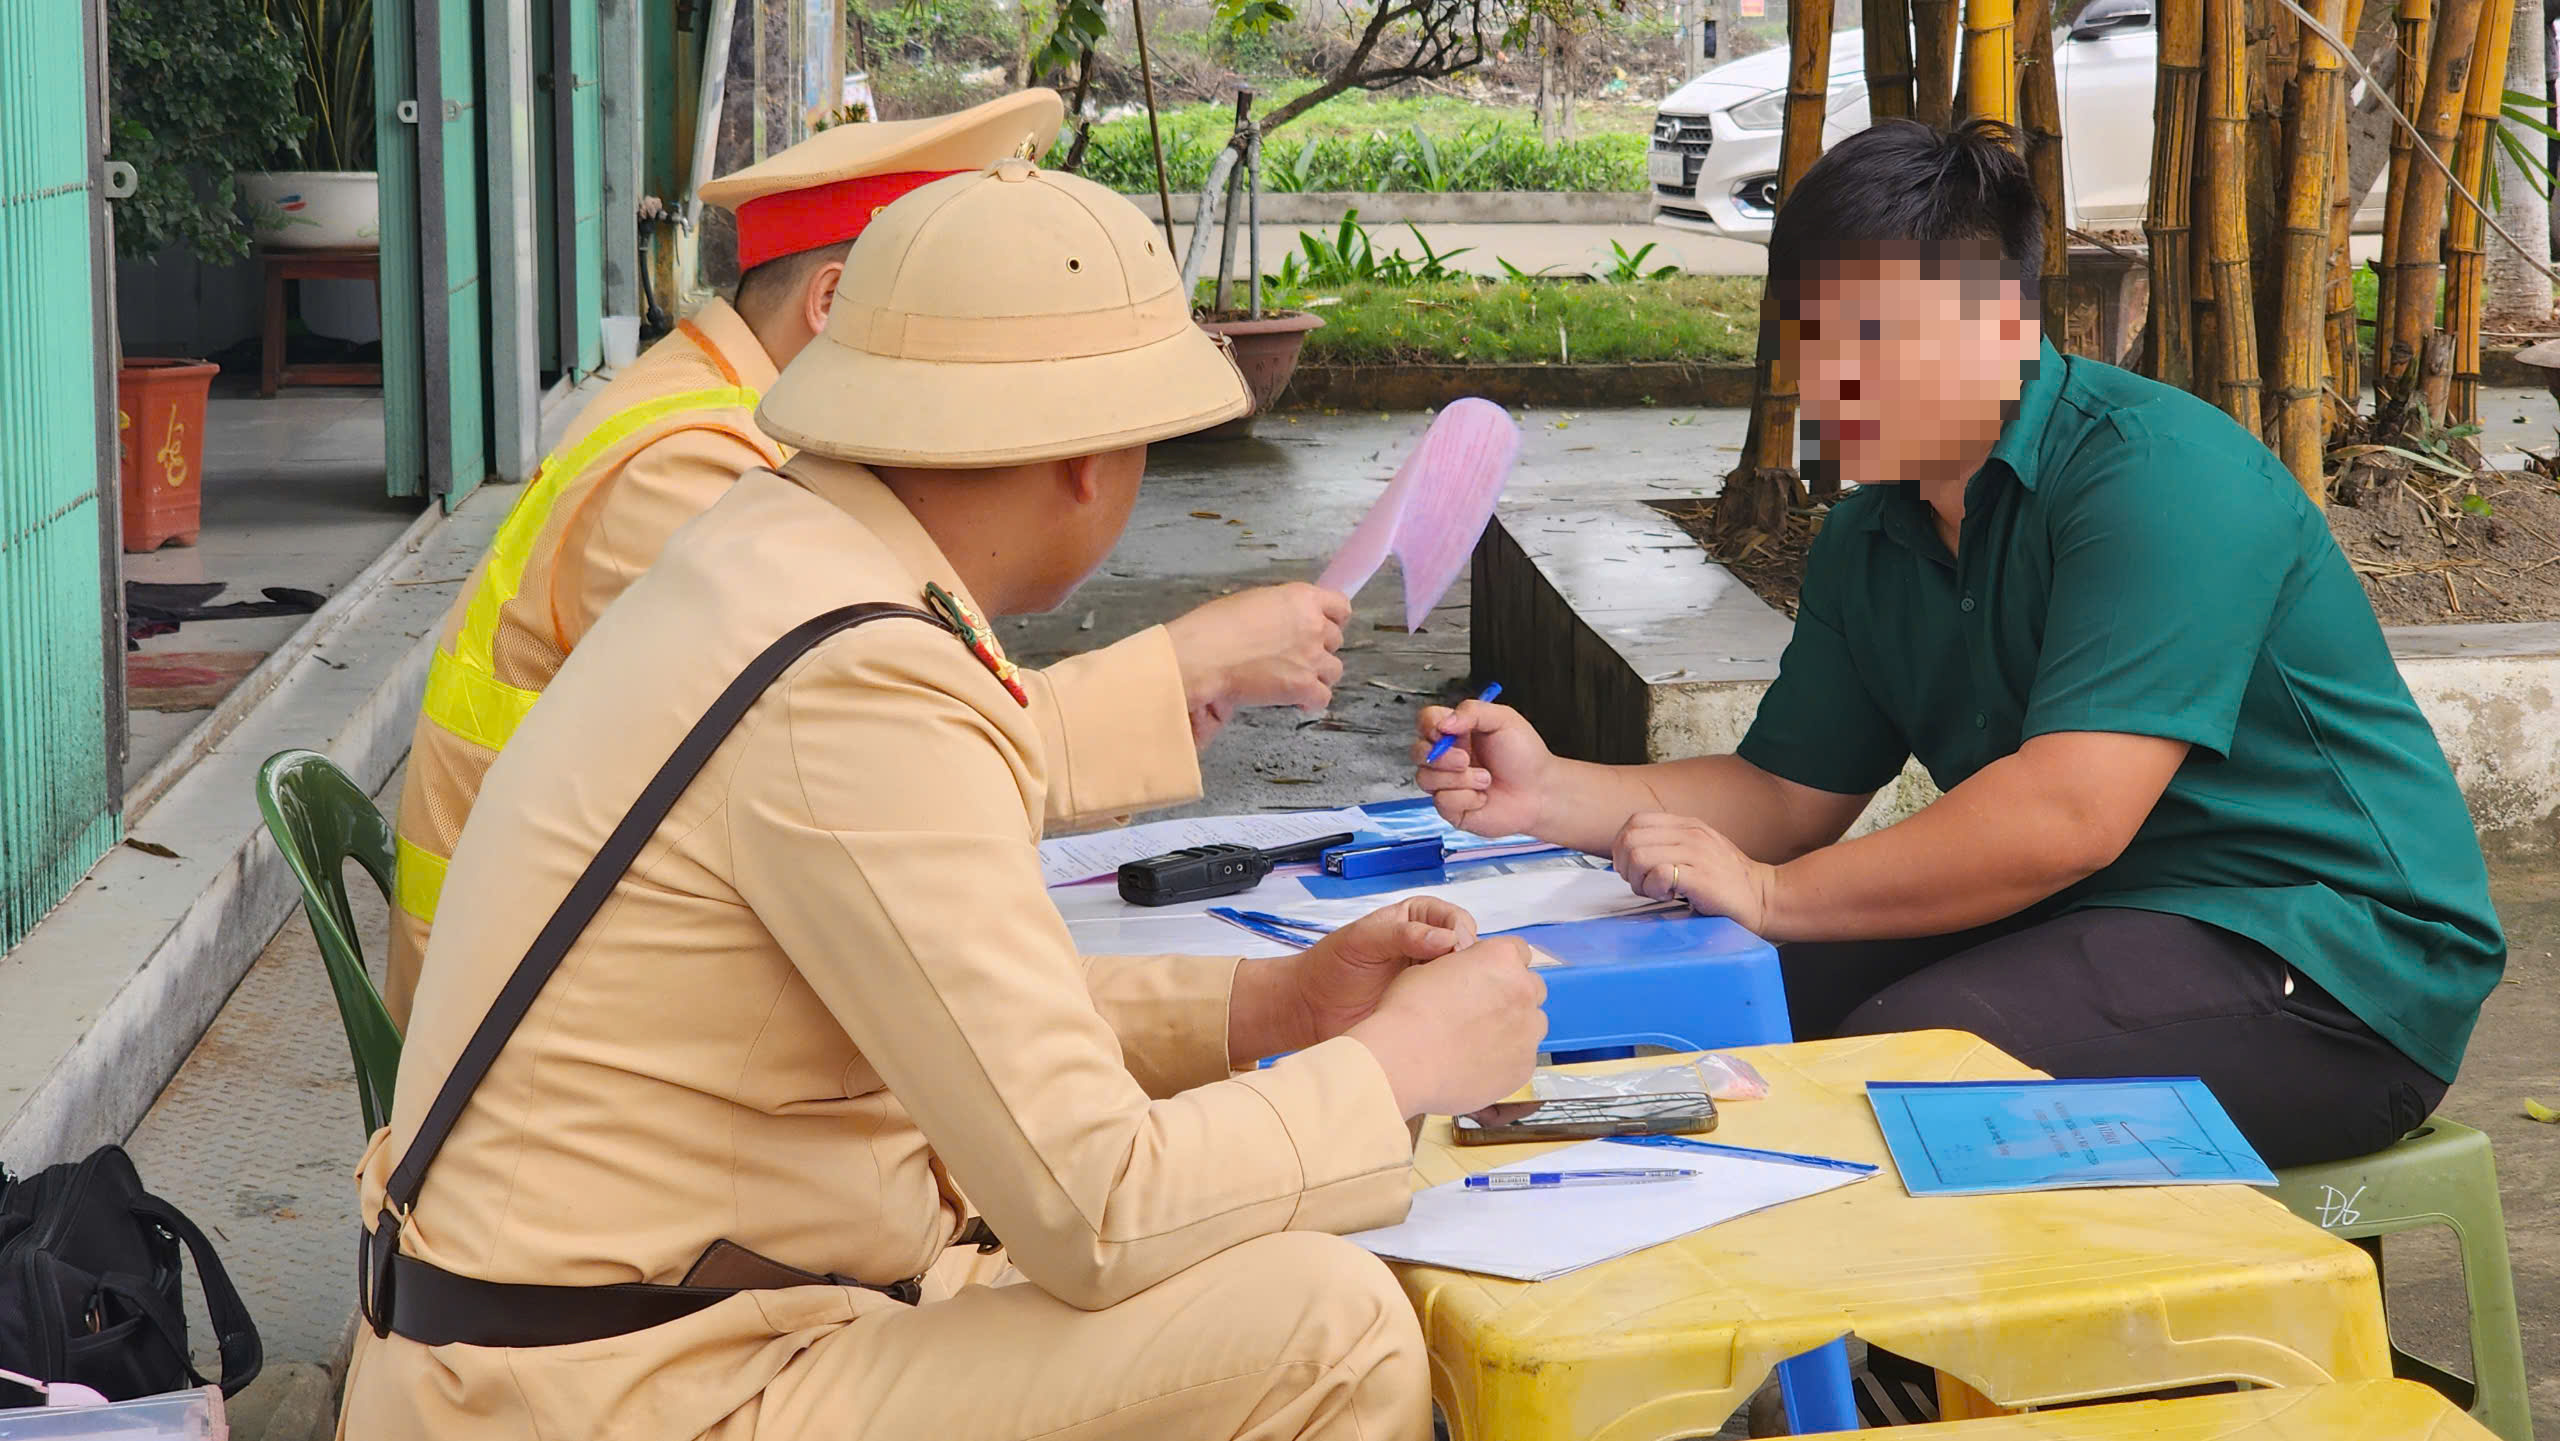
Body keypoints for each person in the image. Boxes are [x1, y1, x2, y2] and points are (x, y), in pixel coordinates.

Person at [337, 159, 1549, 1441]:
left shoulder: (779, 548)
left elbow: (948, 998)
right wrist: (1393, 1066)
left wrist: (1272, 1004)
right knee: (1327, 1327)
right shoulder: (861, 675)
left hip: (610, 1338)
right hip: (619, 1391)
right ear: (1093, 460)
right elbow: (1098, 1212)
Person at [1417, 118, 2504, 1173]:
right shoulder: (1870, 533)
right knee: (1728, 989)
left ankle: (2001, 1357)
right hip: (2101, 920)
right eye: (1809, 333)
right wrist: (1550, 790)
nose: (1825, 380)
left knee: (1913, 1053)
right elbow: (1787, 795)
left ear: (2004, 327)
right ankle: (1840, 1348)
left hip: (2333, 967)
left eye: (1875, 341)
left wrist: (1773, 894)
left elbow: (2066, 815)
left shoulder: (2156, 477)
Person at [386, 89, 1349, 1027]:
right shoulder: (697, 474)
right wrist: (1183, 660)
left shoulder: (717, 412)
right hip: (545, 1023)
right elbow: (884, 764)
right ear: (836, 302)